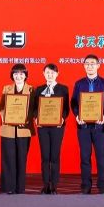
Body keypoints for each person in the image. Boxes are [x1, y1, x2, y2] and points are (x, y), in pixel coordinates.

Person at [70, 54, 104, 194]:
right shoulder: (79, 84)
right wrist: (77, 115)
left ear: (98, 65)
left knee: (101, 157)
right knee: (85, 157)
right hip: (83, 126)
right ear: (84, 66)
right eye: (87, 64)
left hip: (100, 126)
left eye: (92, 64)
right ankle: (86, 185)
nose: (90, 66)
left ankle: (102, 186)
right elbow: (73, 102)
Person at [0, 63, 35, 195]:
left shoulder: (32, 90)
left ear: (25, 75)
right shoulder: (6, 88)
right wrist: (5, 117)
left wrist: (25, 119)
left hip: (24, 129)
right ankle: (8, 187)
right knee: (8, 158)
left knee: (21, 158)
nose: (18, 76)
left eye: (21, 74)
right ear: (12, 75)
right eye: (15, 74)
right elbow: (1, 107)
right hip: (8, 128)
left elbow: (33, 109)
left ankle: (20, 188)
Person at [36, 64, 68, 194]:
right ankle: (45, 185)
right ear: (43, 74)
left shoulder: (63, 89)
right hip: (42, 127)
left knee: (54, 156)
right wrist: (36, 118)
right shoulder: (39, 89)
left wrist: (62, 118)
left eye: (52, 73)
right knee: (45, 156)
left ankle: (54, 185)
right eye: (47, 73)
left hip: (57, 127)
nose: (50, 75)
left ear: (57, 74)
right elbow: (34, 107)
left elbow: (66, 108)